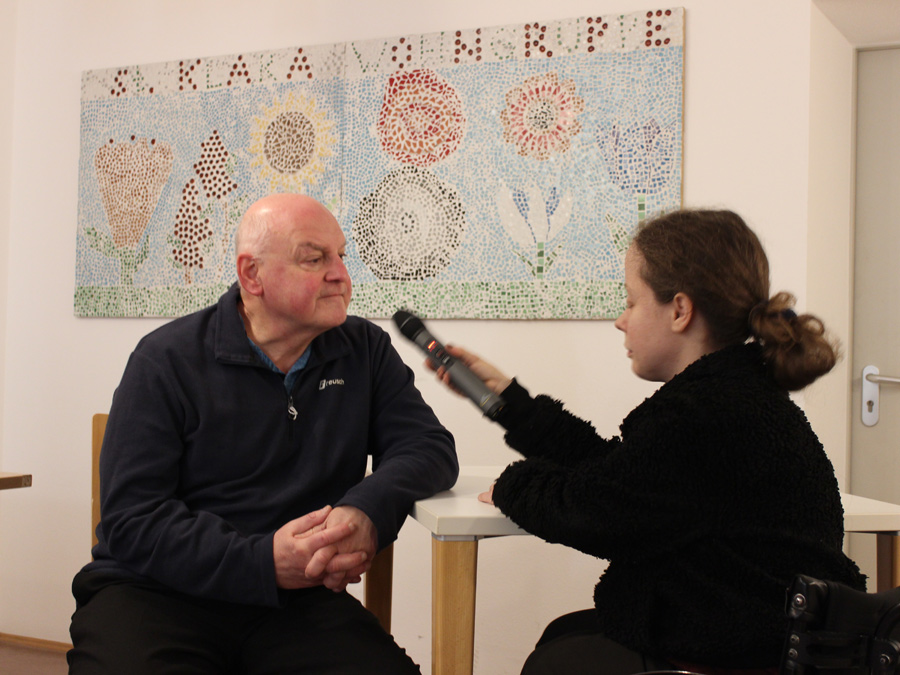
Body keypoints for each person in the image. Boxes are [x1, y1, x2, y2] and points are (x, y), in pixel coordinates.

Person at [431, 209, 865, 675]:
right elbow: (625, 477)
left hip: (744, 651)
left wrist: (514, 485)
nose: (621, 321)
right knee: (564, 634)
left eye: (631, 301)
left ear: (680, 311)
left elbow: (595, 513)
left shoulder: (702, 414)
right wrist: (511, 404)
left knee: (557, 660)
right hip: (765, 636)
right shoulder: (736, 395)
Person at [68, 193, 458, 674]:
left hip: (298, 601)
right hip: (155, 592)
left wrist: (366, 510)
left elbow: (429, 447)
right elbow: (132, 521)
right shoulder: (165, 359)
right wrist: (263, 561)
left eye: (341, 255)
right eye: (314, 259)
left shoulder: (364, 350)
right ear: (252, 275)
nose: (340, 274)